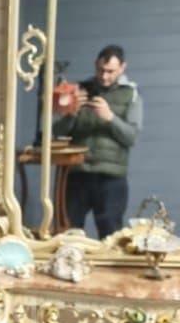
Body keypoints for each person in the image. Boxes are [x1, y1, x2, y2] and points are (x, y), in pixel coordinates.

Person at [53, 44, 143, 238]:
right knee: (67, 233)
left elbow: (131, 137)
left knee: (111, 236)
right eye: (101, 70)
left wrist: (110, 117)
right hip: (77, 174)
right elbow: (56, 132)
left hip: (111, 178)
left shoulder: (131, 95)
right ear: (95, 64)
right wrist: (71, 113)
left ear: (122, 68)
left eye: (110, 71)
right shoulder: (79, 90)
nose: (104, 76)